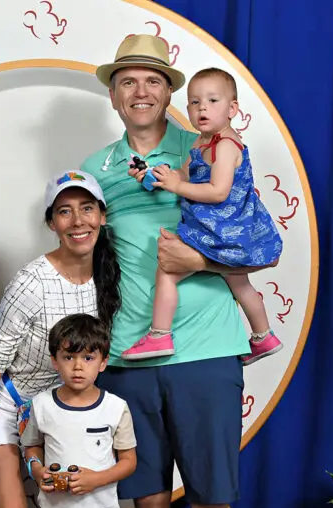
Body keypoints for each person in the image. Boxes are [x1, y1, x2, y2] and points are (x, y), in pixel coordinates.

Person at [80, 35, 278, 508]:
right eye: (127, 83)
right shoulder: (96, 167)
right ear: (115, 98)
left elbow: (256, 244)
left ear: (170, 93)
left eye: (152, 81)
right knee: (147, 502)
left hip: (207, 351)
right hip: (127, 354)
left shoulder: (208, 149)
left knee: (212, 500)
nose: (139, 92)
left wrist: (202, 265)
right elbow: (83, 252)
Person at [0, 169, 121, 508]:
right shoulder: (31, 281)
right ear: (51, 222)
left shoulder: (111, 277)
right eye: (65, 211)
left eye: (87, 209)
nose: (77, 221)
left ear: (102, 215)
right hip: (7, 408)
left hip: (62, 414)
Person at [121, 67, 283, 363]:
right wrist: (156, 177)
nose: (202, 108)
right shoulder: (201, 141)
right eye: (195, 103)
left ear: (232, 108)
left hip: (223, 230)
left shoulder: (225, 145)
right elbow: (185, 175)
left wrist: (178, 184)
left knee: (167, 271)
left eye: (212, 101)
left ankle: (159, 335)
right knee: (239, 283)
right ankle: (264, 336)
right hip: (222, 229)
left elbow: (217, 191)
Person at [21, 313, 137, 508]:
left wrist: (97, 479)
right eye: (68, 357)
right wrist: (37, 470)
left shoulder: (116, 408)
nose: (77, 367)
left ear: (103, 362)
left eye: (88, 358)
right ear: (54, 361)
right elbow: (31, 447)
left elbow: (129, 462)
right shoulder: (41, 405)